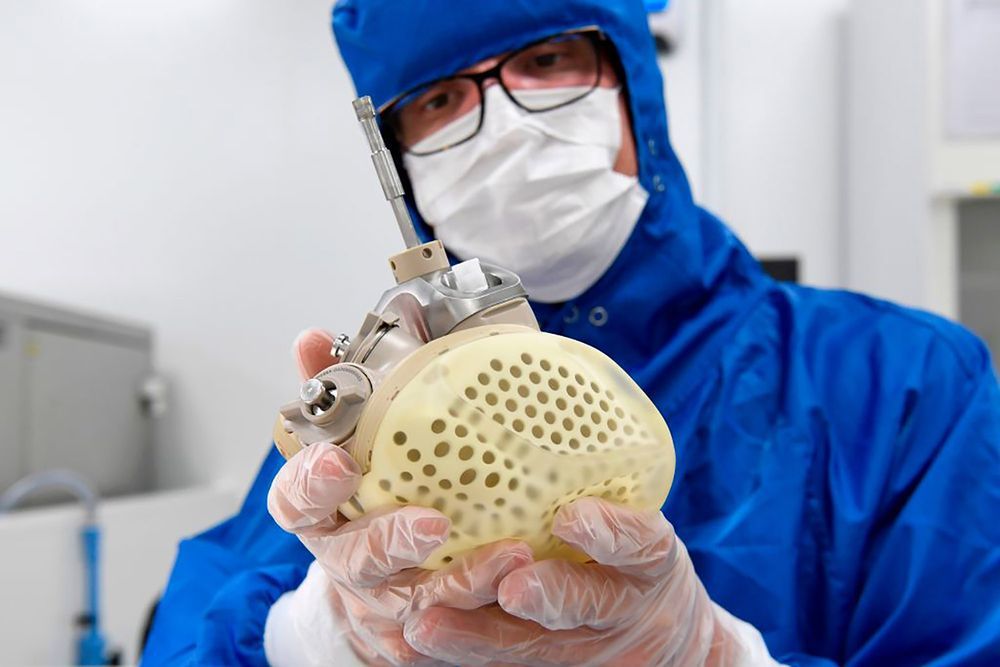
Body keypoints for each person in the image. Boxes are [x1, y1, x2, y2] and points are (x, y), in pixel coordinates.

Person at [142, 0, 1000, 665]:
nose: (504, 126)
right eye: (441, 99)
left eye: (547, 60)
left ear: (633, 81)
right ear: (399, 161)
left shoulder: (904, 387)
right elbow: (188, 633)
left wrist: (710, 654)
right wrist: (315, 635)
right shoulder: (378, 427)